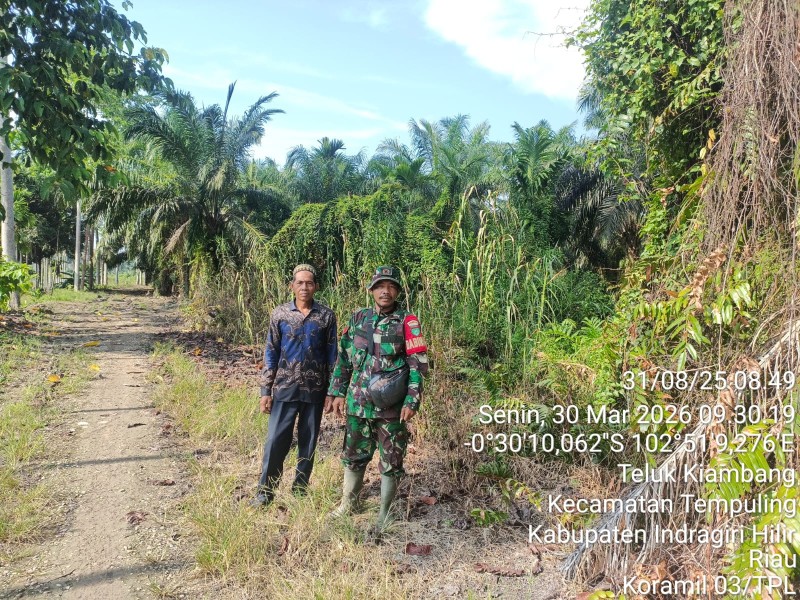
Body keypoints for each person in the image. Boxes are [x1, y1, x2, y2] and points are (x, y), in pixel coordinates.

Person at [328, 265, 429, 529]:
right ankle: (348, 504)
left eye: (391, 286)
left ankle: (386, 512)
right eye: (380, 286)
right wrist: (337, 391)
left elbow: (418, 363)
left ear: (398, 291)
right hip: (358, 403)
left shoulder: (408, 321)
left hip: (390, 406)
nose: (386, 291)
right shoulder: (359, 318)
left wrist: (412, 400)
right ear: (371, 290)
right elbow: (344, 357)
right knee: (353, 454)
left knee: (391, 459)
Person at [252, 264, 337, 507]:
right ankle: (265, 493)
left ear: (316, 286)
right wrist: (265, 391)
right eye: (300, 283)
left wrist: (333, 391)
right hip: (284, 388)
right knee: (275, 441)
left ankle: (300, 490)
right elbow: (271, 353)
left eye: (309, 283)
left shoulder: (326, 316)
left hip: (315, 390)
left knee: (308, 443)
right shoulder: (280, 314)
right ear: (292, 286)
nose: (304, 287)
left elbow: (333, 355)